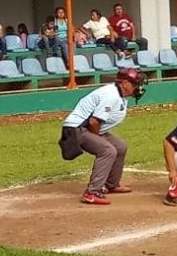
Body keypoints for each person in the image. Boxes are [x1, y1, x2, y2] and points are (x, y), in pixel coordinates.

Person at [62, 68, 146, 205]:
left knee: (120, 146)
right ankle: (92, 192)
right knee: (107, 150)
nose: (138, 87)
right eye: (135, 84)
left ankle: (111, 184)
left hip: (88, 128)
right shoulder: (110, 95)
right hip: (75, 129)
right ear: (124, 83)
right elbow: (94, 122)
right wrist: (99, 139)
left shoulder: (120, 95)